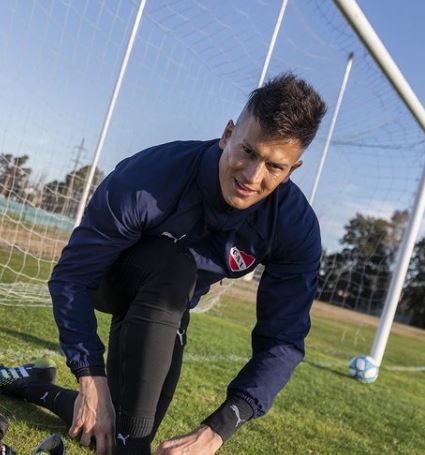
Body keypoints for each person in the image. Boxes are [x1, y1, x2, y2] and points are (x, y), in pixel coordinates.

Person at [0, 73, 326, 455]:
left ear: (293, 170)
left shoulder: (295, 227)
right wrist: (90, 376)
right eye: (248, 152)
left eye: (275, 167)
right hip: (114, 279)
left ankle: (32, 383)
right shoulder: (149, 177)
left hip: (170, 304)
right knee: (174, 267)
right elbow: (72, 278)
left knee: (123, 435)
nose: (252, 177)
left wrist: (218, 428)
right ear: (227, 134)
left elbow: (283, 339)